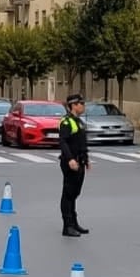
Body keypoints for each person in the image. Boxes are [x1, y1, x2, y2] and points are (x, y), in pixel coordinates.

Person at [58, 93, 90, 237]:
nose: (83, 106)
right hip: (70, 162)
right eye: (81, 104)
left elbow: (81, 143)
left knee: (75, 193)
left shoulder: (79, 122)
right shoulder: (66, 122)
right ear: (73, 105)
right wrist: (70, 159)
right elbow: (63, 142)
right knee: (68, 194)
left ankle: (74, 223)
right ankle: (67, 225)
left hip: (80, 162)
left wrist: (86, 159)